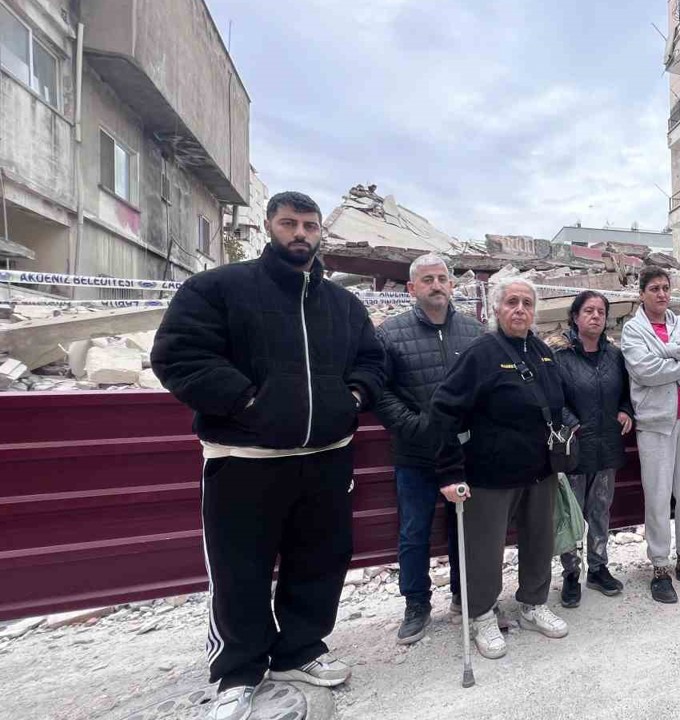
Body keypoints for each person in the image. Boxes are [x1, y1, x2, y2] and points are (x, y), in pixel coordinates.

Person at [151, 191, 386, 720]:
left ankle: (299, 651)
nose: (300, 233)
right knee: (240, 569)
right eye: (289, 223)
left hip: (327, 456)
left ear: (321, 232)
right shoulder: (219, 288)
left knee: (320, 561)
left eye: (309, 225)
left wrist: (352, 399)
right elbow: (178, 355)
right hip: (244, 457)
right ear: (268, 226)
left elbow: (372, 362)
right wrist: (248, 402)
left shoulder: (344, 305)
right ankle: (238, 671)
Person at [428, 277, 573, 660]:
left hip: (539, 471)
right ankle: (481, 615)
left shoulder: (542, 351)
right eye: (512, 302)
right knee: (484, 551)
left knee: (539, 542)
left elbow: (556, 404)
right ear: (496, 308)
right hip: (490, 475)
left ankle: (533, 604)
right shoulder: (481, 353)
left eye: (527, 302)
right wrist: (449, 472)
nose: (520, 309)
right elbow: (443, 411)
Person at [374, 254, 483, 645]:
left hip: (463, 452)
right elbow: (379, 392)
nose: (436, 285)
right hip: (415, 454)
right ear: (411, 288)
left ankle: (463, 595)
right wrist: (413, 426)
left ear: (452, 285)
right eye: (427, 280)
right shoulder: (390, 334)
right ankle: (416, 604)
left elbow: (486, 387)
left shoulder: (474, 332)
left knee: (463, 529)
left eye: (442, 278)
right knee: (414, 531)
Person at [621, 266, 680, 603]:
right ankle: (660, 568)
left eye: (665, 288)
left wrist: (666, 351)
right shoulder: (633, 330)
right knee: (658, 496)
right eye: (654, 289)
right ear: (641, 294)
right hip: (655, 424)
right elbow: (645, 371)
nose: (662, 294)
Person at [547, 291, 634, 606]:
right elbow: (551, 397)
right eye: (588, 311)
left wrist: (625, 410)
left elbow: (627, 392)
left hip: (607, 444)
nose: (596, 316)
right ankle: (571, 573)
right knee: (571, 514)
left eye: (601, 311)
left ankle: (598, 568)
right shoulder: (559, 354)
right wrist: (572, 423)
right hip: (574, 447)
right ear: (575, 316)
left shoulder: (615, 355)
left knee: (600, 510)